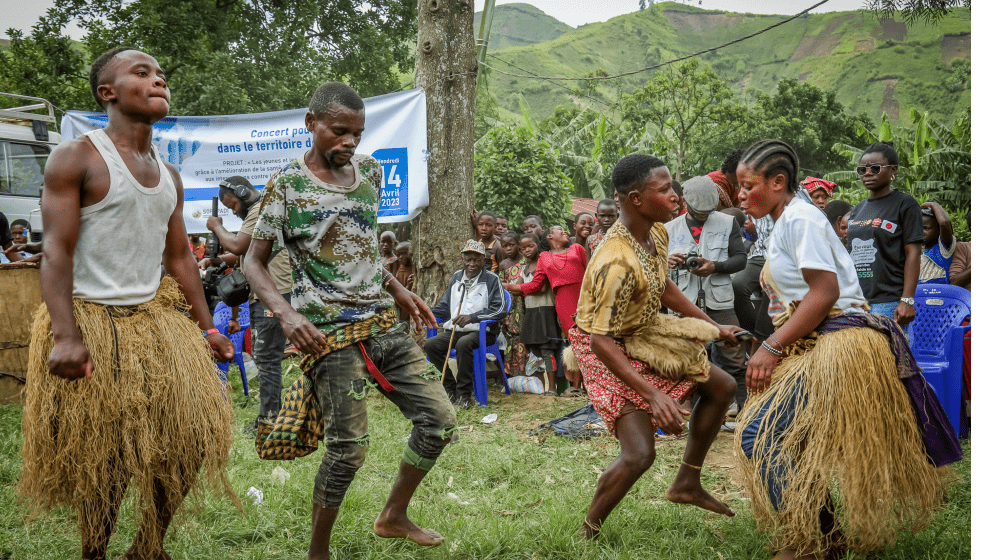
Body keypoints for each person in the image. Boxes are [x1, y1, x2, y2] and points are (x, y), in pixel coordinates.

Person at [20, 47, 238, 560]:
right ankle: (93, 551)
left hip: (154, 319)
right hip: (91, 321)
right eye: (142, 73)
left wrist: (207, 329)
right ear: (108, 92)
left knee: (191, 437)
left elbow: (181, 256)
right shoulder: (77, 157)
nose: (158, 80)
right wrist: (67, 334)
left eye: (161, 73)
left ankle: (148, 546)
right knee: (107, 454)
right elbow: (55, 250)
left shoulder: (169, 175)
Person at [243, 81, 456, 556]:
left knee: (439, 421)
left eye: (357, 134)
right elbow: (252, 262)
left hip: (381, 322)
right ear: (311, 124)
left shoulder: (371, 173)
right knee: (348, 450)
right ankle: (319, 551)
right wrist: (286, 313)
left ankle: (393, 515)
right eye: (340, 132)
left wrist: (399, 289)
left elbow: (360, 245)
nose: (350, 143)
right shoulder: (288, 185)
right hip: (328, 335)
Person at [734, 139, 960, 560]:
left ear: (778, 182)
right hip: (822, 344)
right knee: (789, 441)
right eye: (738, 188)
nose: (740, 196)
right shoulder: (785, 221)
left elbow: (823, 294)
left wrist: (770, 346)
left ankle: (807, 544)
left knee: (758, 435)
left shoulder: (800, 219)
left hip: (842, 345)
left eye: (748, 186)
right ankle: (827, 537)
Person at [570, 154, 743, 538]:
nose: (676, 197)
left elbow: (663, 286)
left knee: (722, 386)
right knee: (640, 454)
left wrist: (713, 326)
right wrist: (652, 395)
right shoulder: (615, 260)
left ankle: (687, 483)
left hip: (644, 331)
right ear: (635, 199)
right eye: (664, 189)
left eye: (673, 187)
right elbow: (601, 341)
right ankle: (587, 531)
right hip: (605, 346)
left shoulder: (657, 233)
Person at [204, 175, 294, 434]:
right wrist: (216, 261)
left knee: (266, 357)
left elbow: (238, 244)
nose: (234, 211)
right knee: (267, 357)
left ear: (243, 192)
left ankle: (270, 422)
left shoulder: (260, 209)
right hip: (266, 295)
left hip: (272, 295)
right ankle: (271, 416)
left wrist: (216, 226)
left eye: (233, 205)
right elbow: (244, 252)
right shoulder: (264, 210)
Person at [667, 176, 748, 410]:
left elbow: (740, 260)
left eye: (708, 212)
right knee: (685, 358)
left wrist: (715, 266)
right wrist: (667, 261)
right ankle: (684, 412)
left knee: (734, 356)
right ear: (685, 202)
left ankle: (746, 412)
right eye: (698, 212)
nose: (704, 216)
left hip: (720, 302)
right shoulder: (667, 229)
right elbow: (654, 267)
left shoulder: (727, 222)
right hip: (683, 301)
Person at [846, 142, 922, 325]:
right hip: (857, 301)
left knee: (889, 354)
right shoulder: (858, 209)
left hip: (888, 302)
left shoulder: (905, 204)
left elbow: (914, 253)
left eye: (875, 168)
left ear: (893, 170)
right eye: (862, 170)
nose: (868, 173)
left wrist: (907, 300)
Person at [425, 240, 508, 408]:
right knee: (431, 345)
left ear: (483, 260)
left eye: (477, 259)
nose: (472, 264)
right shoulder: (456, 277)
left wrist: (473, 317)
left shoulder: (491, 279)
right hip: (455, 331)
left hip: (483, 333)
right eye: (468, 259)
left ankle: (464, 395)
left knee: (464, 344)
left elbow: (500, 310)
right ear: (462, 260)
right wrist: (425, 311)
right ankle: (450, 389)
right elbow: (445, 307)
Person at [507, 225, 588, 394]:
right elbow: (535, 284)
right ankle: (576, 388)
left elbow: (589, 273)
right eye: (560, 229)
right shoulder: (544, 257)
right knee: (576, 342)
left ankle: (592, 385)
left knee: (591, 340)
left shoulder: (577, 248)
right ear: (550, 236)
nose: (565, 231)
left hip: (585, 299)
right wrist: (508, 286)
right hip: (564, 303)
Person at [507, 233, 561, 395]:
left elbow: (541, 288)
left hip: (545, 311)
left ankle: (552, 387)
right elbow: (517, 291)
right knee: (534, 352)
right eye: (522, 248)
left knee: (546, 350)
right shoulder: (524, 268)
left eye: (530, 246)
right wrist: (523, 289)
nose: (526, 250)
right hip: (531, 313)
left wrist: (522, 288)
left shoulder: (544, 265)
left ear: (538, 245)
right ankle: (540, 386)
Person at [496, 231, 528, 377]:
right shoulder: (503, 265)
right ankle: (512, 373)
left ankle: (526, 371)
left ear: (518, 245)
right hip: (511, 306)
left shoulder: (526, 261)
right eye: (504, 246)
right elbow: (501, 288)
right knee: (510, 337)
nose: (508, 248)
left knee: (524, 336)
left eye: (511, 245)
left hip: (525, 303)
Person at [918, 201, 955, 285]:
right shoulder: (913, 250)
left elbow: (944, 223)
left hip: (937, 296)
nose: (920, 232)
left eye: (925, 228)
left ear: (939, 230)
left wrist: (933, 205)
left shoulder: (943, 250)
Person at [393, 241, 416, 328]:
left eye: (404, 253)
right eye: (398, 255)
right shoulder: (399, 272)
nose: (401, 257)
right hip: (404, 310)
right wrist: (408, 287)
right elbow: (397, 294)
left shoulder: (415, 268)